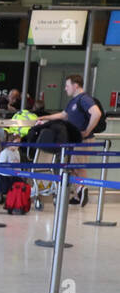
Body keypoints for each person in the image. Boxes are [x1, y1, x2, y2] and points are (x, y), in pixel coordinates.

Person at [38, 73, 103, 204]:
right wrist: (45, 118)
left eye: (67, 85)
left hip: (82, 140)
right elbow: (63, 115)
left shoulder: (84, 99)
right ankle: (78, 192)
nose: (65, 88)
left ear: (76, 85)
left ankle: (81, 189)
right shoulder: (73, 101)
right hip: (75, 139)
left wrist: (86, 131)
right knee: (72, 166)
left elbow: (96, 113)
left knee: (78, 166)